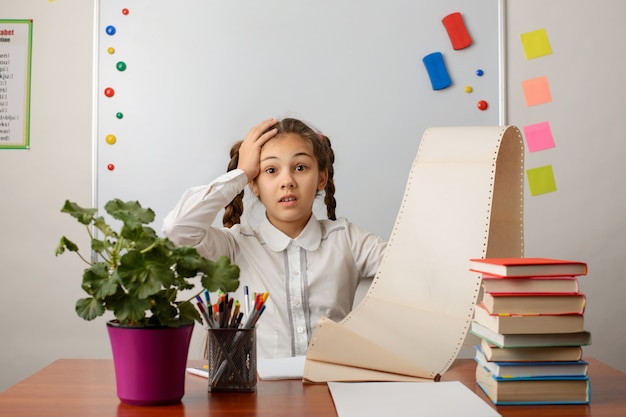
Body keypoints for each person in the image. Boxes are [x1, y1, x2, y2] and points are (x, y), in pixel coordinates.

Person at [162, 117, 386, 358]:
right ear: (254, 185)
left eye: (300, 167)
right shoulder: (235, 246)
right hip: (258, 394)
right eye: (271, 170)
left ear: (321, 177)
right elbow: (178, 228)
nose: (287, 181)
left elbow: (412, 266)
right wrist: (241, 173)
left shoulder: (348, 240)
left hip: (331, 391)